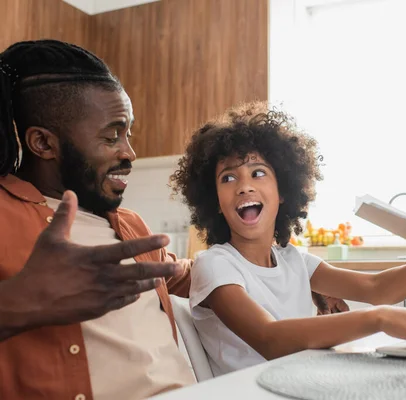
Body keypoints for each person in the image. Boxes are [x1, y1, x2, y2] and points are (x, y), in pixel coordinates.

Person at [0, 40, 346, 399]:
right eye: (111, 136)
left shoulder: (130, 224)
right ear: (43, 143)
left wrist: (294, 274)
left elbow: (191, 271)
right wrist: (18, 300)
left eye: (128, 134)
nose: (129, 152)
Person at [170, 101, 406, 376]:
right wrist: (379, 319)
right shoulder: (214, 265)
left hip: (297, 385)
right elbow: (270, 338)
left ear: (283, 192)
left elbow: (374, 288)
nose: (244, 184)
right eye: (227, 178)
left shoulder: (294, 260)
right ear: (214, 201)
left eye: (258, 172)